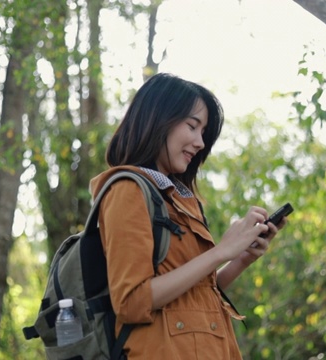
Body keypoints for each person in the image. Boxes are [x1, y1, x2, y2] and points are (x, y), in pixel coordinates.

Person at [89, 73, 288, 359]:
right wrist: (221, 251)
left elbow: (196, 295)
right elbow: (132, 302)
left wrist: (242, 257)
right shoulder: (127, 190)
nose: (200, 142)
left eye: (204, 133)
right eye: (192, 126)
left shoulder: (181, 198)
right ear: (157, 120)